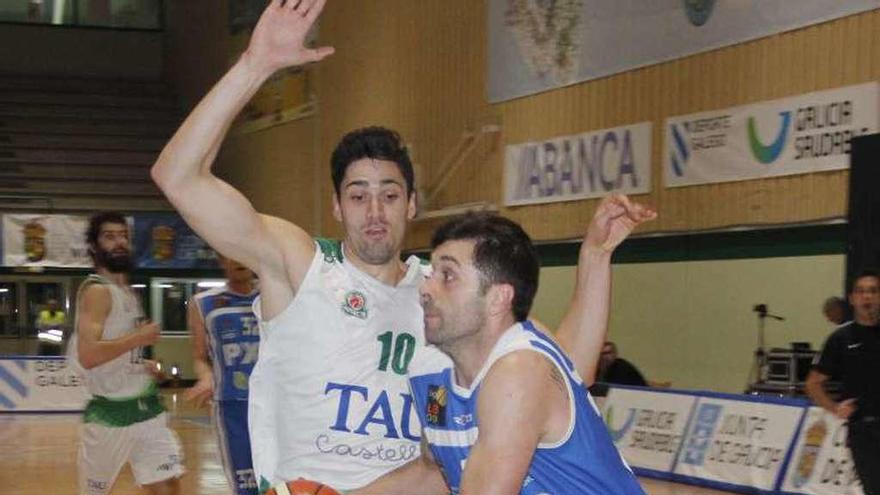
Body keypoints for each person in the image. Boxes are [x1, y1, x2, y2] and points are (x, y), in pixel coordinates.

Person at [150, 0, 655, 490]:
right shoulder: (299, 263)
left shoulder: (443, 297)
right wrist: (255, 66)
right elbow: (177, 175)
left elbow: (566, 368)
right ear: (336, 206)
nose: (374, 212)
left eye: (389, 195)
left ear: (412, 204)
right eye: (358, 195)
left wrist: (595, 257)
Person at [352, 213, 646, 495]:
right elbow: (434, 474)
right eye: (430, 274)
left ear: (497, 299)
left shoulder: (521, 369)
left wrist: (595, 256)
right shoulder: (428, 373)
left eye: (448, 276)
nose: (425, 288)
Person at [67, 212, 184, 494]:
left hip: (147, 407)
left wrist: (142, 363)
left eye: (123, 236)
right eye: (109, 236)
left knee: (168, 484)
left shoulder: (129, 292)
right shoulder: (97, 291)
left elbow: (117, 350)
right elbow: (89, 355)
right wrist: (138, 338)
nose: (119, 242)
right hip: (111, 413)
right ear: (95, 247)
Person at [185, 255, 260, 495]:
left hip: (276, 403)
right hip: (232, 405)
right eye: (231, 253)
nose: (240, 258)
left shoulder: (274, 295)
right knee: (246, 484)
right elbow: (199, 356)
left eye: (243, 251)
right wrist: (206, 377)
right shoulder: (203, 303)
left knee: (281, 477)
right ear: (221, 261)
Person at [806, 269, 880, 495]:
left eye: (873, 291)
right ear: (852, 299)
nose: (867, 297)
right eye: (861, 292)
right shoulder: (840, 338)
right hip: (864, 430)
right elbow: (813, 383)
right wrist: (835, 408)